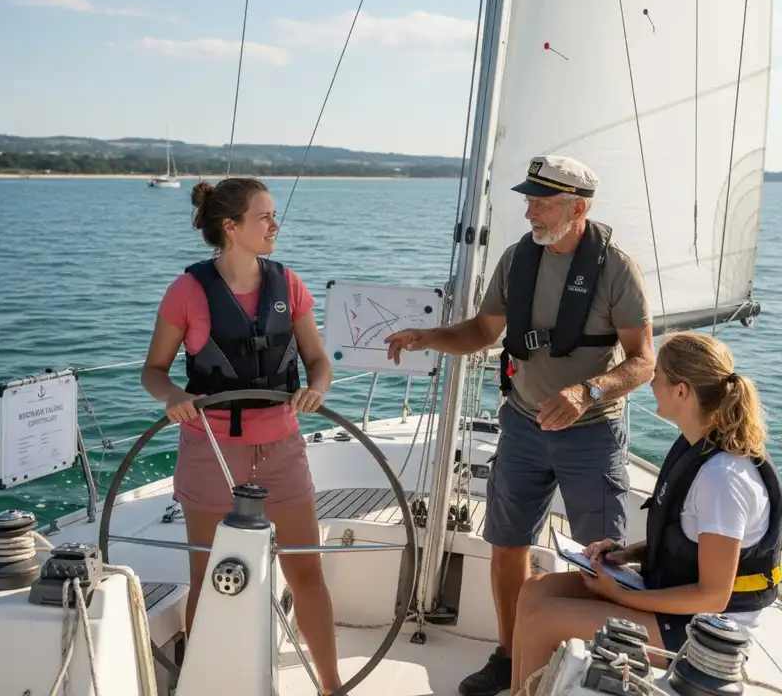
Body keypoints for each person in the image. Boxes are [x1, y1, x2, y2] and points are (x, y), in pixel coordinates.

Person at [385, 155, 655, 696]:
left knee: (601, 557)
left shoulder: (616, 269)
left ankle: (597, 667)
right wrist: (428, 337)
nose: (530, 212)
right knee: (506, 545)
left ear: (577, 209)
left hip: (591, 433)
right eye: (529, 201)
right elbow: (483, 332)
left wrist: (586, 392)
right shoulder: (516, 260)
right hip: (523, 428)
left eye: (542, 203)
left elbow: (643, 361)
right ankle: (512, 657)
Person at [141, 177, 341, 693]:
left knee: (306, 574)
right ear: (231, 227)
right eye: (264, 216)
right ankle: (199, 684)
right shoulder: (187, 291)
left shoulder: (288, 284)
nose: (275, 225)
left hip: (282, 449)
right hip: (210, 450)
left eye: (274, 215)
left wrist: (317, 388)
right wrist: (172, 397)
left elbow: (318, 362)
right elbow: (154, 371)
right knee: (209, 578)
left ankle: (331, 686)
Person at [510, 331, 781, 695]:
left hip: (706, 631)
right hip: (672, 597)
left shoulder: (723, 479)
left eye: (658, 378)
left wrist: (623, 597)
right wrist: (626, 554)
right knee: (535, 591)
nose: (650, 385)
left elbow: (713, 596)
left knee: (545, 623)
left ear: (682, 392)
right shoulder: (698, 447)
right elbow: (688, 540)